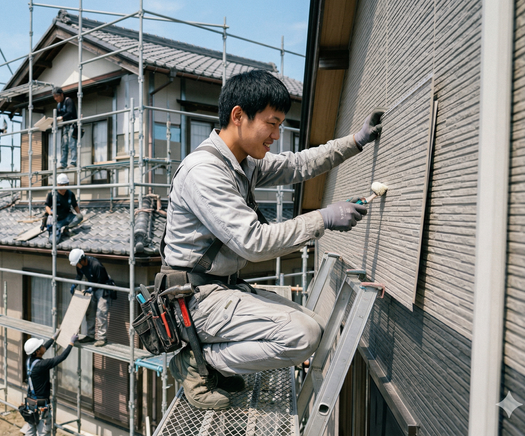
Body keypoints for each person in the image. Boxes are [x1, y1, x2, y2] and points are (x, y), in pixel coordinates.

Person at [160, 70, 383, 410]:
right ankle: (196, 362)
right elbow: (254, 242)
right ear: (238, 116)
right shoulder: (204, 172)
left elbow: (297, 165)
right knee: (302, 336)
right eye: (272, 123)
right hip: (194, 301)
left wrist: (355, 141)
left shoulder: (241, 162)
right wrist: (323, 218)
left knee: (314, 327)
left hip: (221, 289)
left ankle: (208, 360)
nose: (277, 135)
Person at [22, 332, 78, 436]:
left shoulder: (29, 360)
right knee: (43, 432)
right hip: (41, 404)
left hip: (31, 403)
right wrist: (71, 343)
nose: (44, 346)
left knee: (30, 430)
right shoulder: (41, 365)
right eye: (41, 346)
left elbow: (43, 349)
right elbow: (61, 357)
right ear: (37, 351)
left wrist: (52, 339)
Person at [68, 248, 116, 347]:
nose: (77, 265)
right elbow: (79, 275)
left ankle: (102, 338)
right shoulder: (80, 265)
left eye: (77, 263)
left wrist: (91, 288)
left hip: (102, 288)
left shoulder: (96, 265)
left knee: (101, 312)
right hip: (92, 287)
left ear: (82, 259)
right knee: (90, 311)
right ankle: (90, 335)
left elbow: (101, 282)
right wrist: (74, 285)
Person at [45, 173, 83, 243]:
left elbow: (75, 205)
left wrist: (79, 214)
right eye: (61, 185)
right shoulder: (52, 194)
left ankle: (66, 229)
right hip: (57, 220)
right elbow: (47, 206)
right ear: (57, 184)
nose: (64, 187)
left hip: (67, 217)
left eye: (65, 184)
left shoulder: (70, 194)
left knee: (79, 217)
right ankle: (56, 231)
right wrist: (50, 212)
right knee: (53, 241)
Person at [52, 87, 77, 169]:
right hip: (65, 126)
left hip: (72, 125)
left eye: (56, 96)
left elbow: (70, 112)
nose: (55, 98)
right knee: (64, 145)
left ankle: (73, 162)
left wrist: (61, 117)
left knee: (72, 144)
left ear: (61, 94)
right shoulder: (59, 105)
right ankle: (63, 164)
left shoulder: (68, 101)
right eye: (54, 97)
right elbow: (58, 115)